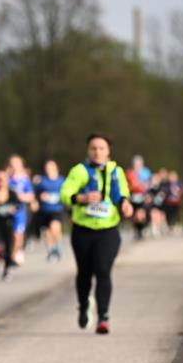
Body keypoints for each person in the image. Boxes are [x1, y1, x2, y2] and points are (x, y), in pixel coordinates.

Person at [60, 133, 133, 335]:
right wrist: (82, 198)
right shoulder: (79, 171)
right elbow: (65, 193)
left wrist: (126, 205)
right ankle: (83, 305)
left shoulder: (116, 172)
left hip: (108, 230)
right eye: (93, 148)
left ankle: (103, 317)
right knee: (84, 273)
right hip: (83, 230)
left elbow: (123, 194)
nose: (97, 152)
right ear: (88, 150)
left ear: (108, 151)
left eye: (101, 148)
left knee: (103, 271)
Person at [6, 155, 35, 265]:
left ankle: (15, 254)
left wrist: (20, 196)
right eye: (12, 163)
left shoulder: (25, 179)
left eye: (17, 163)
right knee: (9, 235)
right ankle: (10, 254)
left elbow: (31, 196)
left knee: (18, 234)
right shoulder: (6, 178)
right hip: (7, 210)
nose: (14, 166)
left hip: (20, 211)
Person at [34, 159, 66, 260]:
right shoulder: (41, 180)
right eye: (47, 167)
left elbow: (66, 193)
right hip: (44, 210)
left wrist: (60, 197)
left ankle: (57, 247)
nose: (49, 169)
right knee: (47, 232)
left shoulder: (62, 180)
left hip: (57, 209)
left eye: (51, 167)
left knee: (55, 228)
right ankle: (51, 251)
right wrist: (40, 197)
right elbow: (36, 193)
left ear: (56, 168)